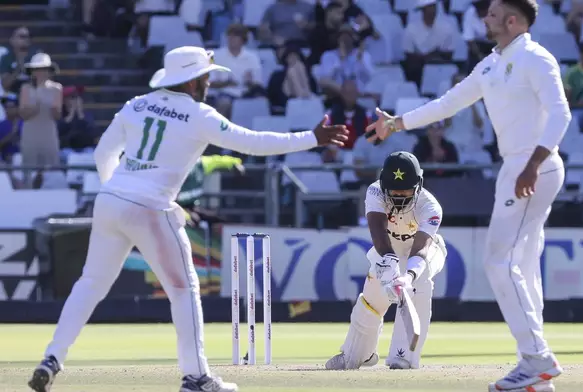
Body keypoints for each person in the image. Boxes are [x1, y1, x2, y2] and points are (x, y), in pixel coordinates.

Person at [27, 46, 348, 392]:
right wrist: (311, 138)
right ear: (194, 82)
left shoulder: (136, 104)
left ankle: (52, 358)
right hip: (150, 207)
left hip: (110, 199)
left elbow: (103, 152)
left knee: (89, 284)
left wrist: (117, 192)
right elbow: (252, 143)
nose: (209, 83)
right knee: (184, 289)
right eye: (206, 77)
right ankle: (195, 377)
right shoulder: (200, 115)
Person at [364, 0, 570, 390]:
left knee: (497, 260)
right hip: (515, 166)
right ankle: (537, 375)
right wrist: (397, 122)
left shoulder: (536, 58)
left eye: (492, 14)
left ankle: (537, 357)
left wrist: (531, 165)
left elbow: (561, 115)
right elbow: (448, 103)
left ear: (512, 20)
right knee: (523, 265)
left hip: (534, 166)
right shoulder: (490, 64)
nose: (484, 18)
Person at [325, 151, 447, 370]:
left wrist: (407, 277)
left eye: (405, 190)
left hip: (425, 253)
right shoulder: (375, 191)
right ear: (383, 184)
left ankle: (404, 357)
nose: (399, 195)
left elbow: (421, 249)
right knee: (371, 301)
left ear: (418, 184)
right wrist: (390, 265)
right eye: (394, 190)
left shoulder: (431, 207)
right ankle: (357, 355)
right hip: (387, 249)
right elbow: (378, 234)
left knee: (418, 286)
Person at [18, 53, 63, 188]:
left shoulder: (56, 88)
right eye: (37, 69)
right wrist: (36, 106)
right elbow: (23, 114)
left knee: (52, 168)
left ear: (49, 71)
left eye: (43, 69)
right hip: (31, 133)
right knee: (29, 168)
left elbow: (57, 115)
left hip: (48, 132)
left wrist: (50, 106)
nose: (40, 72)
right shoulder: (26, 89)